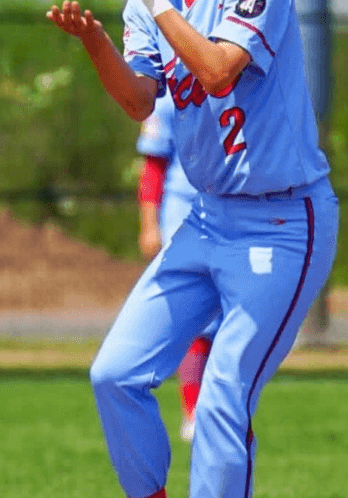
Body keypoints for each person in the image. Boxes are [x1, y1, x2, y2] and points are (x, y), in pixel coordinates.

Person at [46, 0, 339, 498]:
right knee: (114, 374)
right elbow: (140, 102)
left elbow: (216, 72)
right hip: (205, 222)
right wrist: (95, 42)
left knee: (220, 397)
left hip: (283, 224)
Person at [136, 91, 220, 443]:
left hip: (232, 215)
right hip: (182, 216)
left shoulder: (239, 86)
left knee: (226, 322)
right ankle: (193, 411)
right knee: (192, 319)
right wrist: (150, 225)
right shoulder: (168, 95)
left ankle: (217, 407)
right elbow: (153, 167)